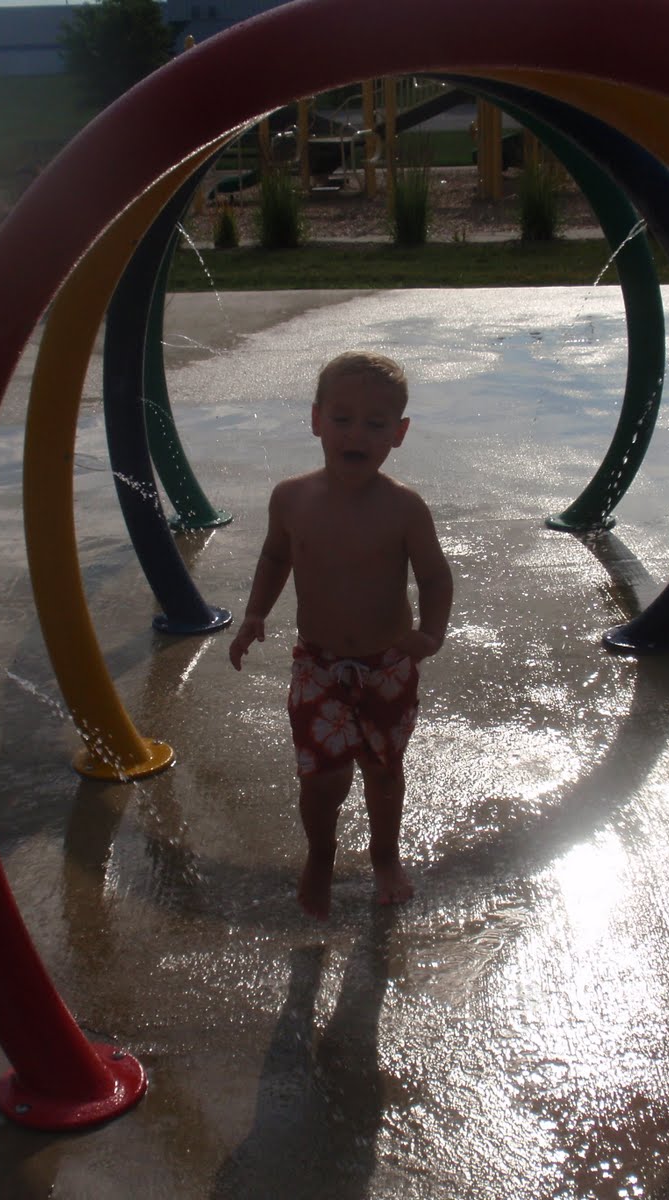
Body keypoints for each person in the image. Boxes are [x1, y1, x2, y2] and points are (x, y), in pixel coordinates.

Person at [228, 350, 453, 920]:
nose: (357, 434)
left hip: (388, 666)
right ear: (316, 419)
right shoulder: (292, 497)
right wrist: (255, 614)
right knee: (321, 781)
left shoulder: (404, 508)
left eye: (376, 424)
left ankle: (384, 855)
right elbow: (276, 555)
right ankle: (320, 857)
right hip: (318, 666)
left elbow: (433, 575)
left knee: (383, 773)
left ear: (398, 434)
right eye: (342, 418)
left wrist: (431, 632)